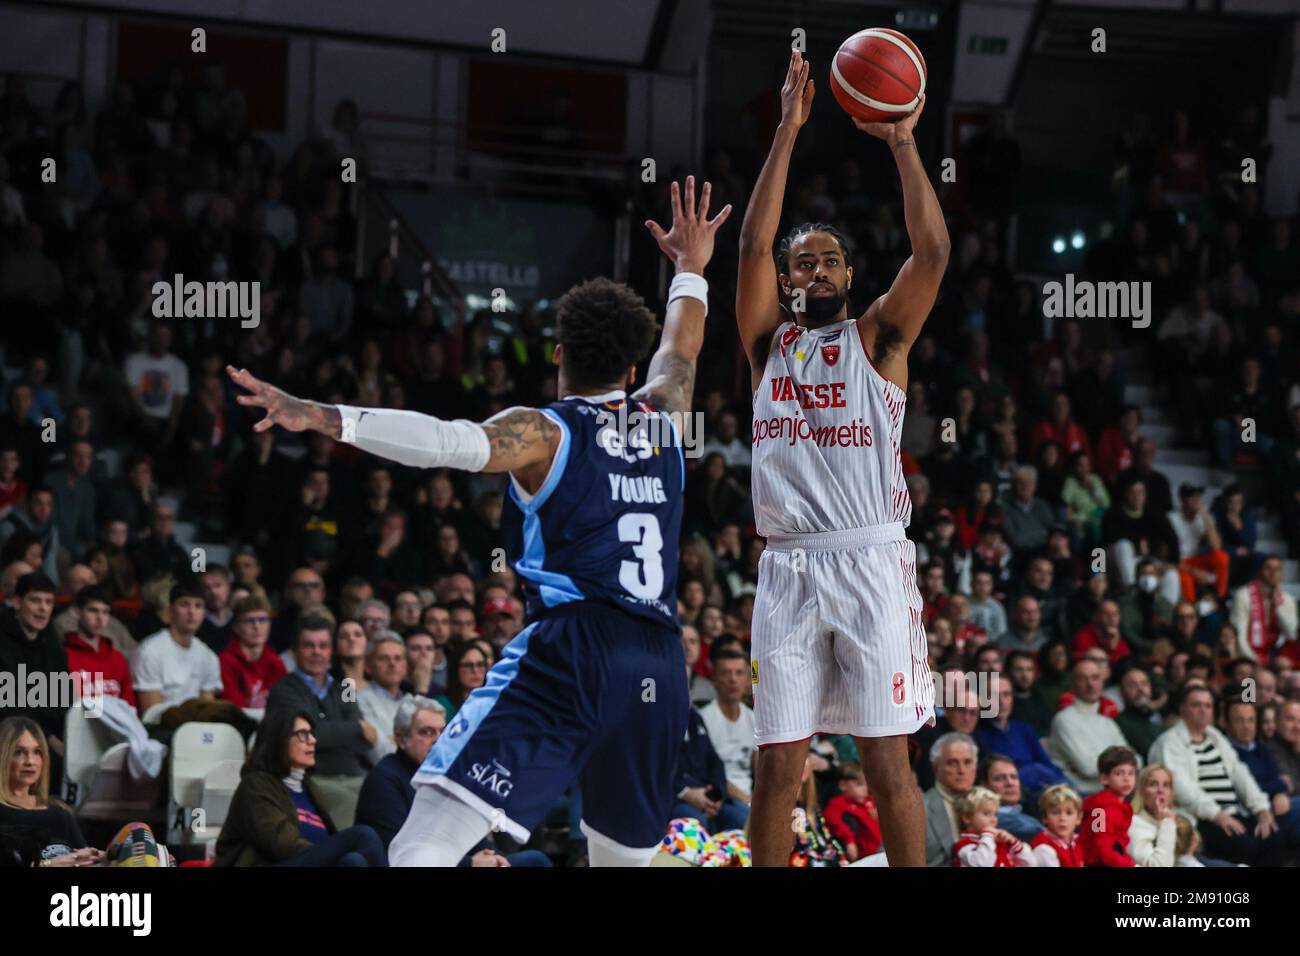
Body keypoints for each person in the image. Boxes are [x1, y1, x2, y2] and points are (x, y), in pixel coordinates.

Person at [231, 174, 729, 867]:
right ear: (630, 366)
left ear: (557, 355)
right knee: (623, 863)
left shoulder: (545, 432)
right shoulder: (668, 417)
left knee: (423, 846)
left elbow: (443, 440)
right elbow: (683, 351)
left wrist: (321, 415)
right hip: (659, 664)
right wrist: (692, 270)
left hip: (572, 649)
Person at [736, 49, 948, 869]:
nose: (813, 268)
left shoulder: (880, 339)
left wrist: (901, 144)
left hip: (868, 560)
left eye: (828, 259)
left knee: (886, 759)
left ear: (851, 275)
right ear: (787, 283)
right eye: (801, 263)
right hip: (787, 568)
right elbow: (751, 242)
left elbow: (931, 256)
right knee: (775, 767)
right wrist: (787, 131)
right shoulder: (768, 347)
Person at [355, 696, 548, 867]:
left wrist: (494, 857)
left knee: (533, 859)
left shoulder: (446, 774)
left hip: (457, 859)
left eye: (443, 732)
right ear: (400, 738)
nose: (438, 741)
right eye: (427, 732)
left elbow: (471, 834)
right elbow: (397, 851)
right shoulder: (384, 779)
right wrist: (470, 862)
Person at [214, 709, 386, 866]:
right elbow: (282, 845)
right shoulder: (255, 785)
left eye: (312, 733)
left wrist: (331, 854)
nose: (312, 741)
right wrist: (330, 853)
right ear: (279, 740)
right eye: (302, 734)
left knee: (353, 861)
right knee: (363, 835)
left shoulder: (308, 788)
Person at [1149, 684, 1288, 866]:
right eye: (1196, 705)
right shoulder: (1169, 742)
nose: (1203, 710)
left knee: (1274, 838)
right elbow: (1181, 787)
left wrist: (1261, 809)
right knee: (1244, 846)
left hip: (1234, 811)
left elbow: (1240, 774)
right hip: (1200, 817)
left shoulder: (1215, 736)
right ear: (1182, 708)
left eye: (1208, 705)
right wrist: (1216, 814)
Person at [265, 616, 375, 828]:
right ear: (296, 651)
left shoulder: (345, 688)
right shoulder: (284, 690)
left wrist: (336, 732)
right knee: (350, 804)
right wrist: (352, 730)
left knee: (385, 797)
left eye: (323, 646)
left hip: (353, 774)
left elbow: (363, 740)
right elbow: (307, 736)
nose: (317, 652)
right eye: (309, 646)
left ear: (331, 652)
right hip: (312, 778)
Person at [0, 717, 102, 866]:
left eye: (37, 752)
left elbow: (87, 860)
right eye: (18, 752)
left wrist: (106, 855)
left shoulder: (60, 813)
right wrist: (49, 864)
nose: (30, 761)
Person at [0, 572, 68, 785]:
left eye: (48, 602)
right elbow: (8, 705)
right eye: (35, 600)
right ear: (17, 602)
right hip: (11, 731)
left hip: (49, 736)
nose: (43, 608)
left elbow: (64, 698)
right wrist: (48, 740)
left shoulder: (52, 642)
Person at [1047, 658, 1130, 794]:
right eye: (1083, 679)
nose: (1090, 684)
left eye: (1095, 678)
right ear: (1073, 685)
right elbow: (1088, 768)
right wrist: (1120, 764)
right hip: (1080, 797)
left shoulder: (1108, 723)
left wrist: (1108, 763)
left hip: (1111, 794)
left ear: (1102, 682)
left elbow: (1135, 761)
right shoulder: (1064, 719)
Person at [696, 648, 756, 810]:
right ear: (714, 678)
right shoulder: (702, 718)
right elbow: (709, 772)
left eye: (739, 673)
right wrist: (749, 802)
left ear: (747, 680)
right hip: (718, 797)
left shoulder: (753, 718)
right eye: (726, 673)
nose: (733, 680)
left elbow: (761, 770)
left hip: (748, 798)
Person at [218, 593, 285, 709]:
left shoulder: (275, 661)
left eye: (262, 619)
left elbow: (284, 700)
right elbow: (231, 705)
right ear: (236, 627)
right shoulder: (226, 661)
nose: (257, 626)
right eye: (249, 620)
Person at [922, 732, 977, 867]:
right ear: (936, 768)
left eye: (968, 762)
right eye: (952, 763)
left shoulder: (987, 803)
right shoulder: (918, 809)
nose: (962, 770)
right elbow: (885, 858)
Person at [1079, 745, 1139, 866]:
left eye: (1131, 773)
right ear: (1105, 778)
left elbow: (1118, 845)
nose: (1126, 779)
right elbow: (1101, 847)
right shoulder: (1100, 809)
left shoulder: (1123, 807)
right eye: (1119, 773)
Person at [951, 785, 1035, 867]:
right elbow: (982, 864)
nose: (993, 819)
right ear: (967, 817)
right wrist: (987, 835)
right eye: (986, 813)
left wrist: (1014, 842)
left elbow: (1031, 863)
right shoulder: (965, 845)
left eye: (995, 814)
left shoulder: (999, 841)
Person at [357, 633, 407, 763]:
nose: (392, 664)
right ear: (368, 666)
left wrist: (392, 739)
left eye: (398, 658)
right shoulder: (359, 700)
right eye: (384, 658)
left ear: (405, 666)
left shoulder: (413, 701)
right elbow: (381, 753)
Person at [823, 762, 882, 862]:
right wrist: (849, 840)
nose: (865, 789)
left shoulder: (870, 800)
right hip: (864, 854)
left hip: (881, 847)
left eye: (866, 784)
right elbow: (832, 819)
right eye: (859, 784)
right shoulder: (838, 803)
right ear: (843, 785)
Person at [979, 754, 1044, 842]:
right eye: (1000, 778)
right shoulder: (991, 820)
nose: (1010, 783)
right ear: (985, 785)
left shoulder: (1027, 813)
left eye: (1014, 777)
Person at [1125, 763, 1178, 866]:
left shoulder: (1173, 820)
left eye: (1166, 785)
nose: (1160, 790)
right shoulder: (1134, 823)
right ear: (1142, 791)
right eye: (1153, 784)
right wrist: (1167, 823)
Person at [1029, 784, 1083, 867]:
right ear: (1045, 817)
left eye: (1069, 813)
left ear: (1078, 818)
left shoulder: (1080, 841)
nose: (1062, 818)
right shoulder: (1043, 849)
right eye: (1055, 812)